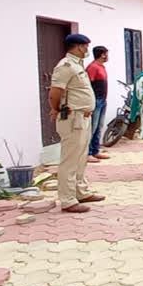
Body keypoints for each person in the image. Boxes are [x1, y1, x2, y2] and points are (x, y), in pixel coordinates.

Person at [48, 34, 105, 213]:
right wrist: (56, 108)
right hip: (73, 117)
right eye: (86, 46)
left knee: (81, 158)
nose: (88, 50)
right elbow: (55, 92)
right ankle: (67, 199)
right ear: (79, 47)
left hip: (84, 117)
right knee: (70, 160)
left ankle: (80, 191)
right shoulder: (65, 66)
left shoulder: (77, 65)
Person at [86, 45, 110, 163]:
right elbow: (87, 85)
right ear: (102, 54)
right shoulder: (92, 67)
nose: (107, 56)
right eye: (106, 53)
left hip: (102, 100)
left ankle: (96, 150)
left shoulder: (101, 67)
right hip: (95, 100)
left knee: (99, 127)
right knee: (92, 127)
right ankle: (88, 153)